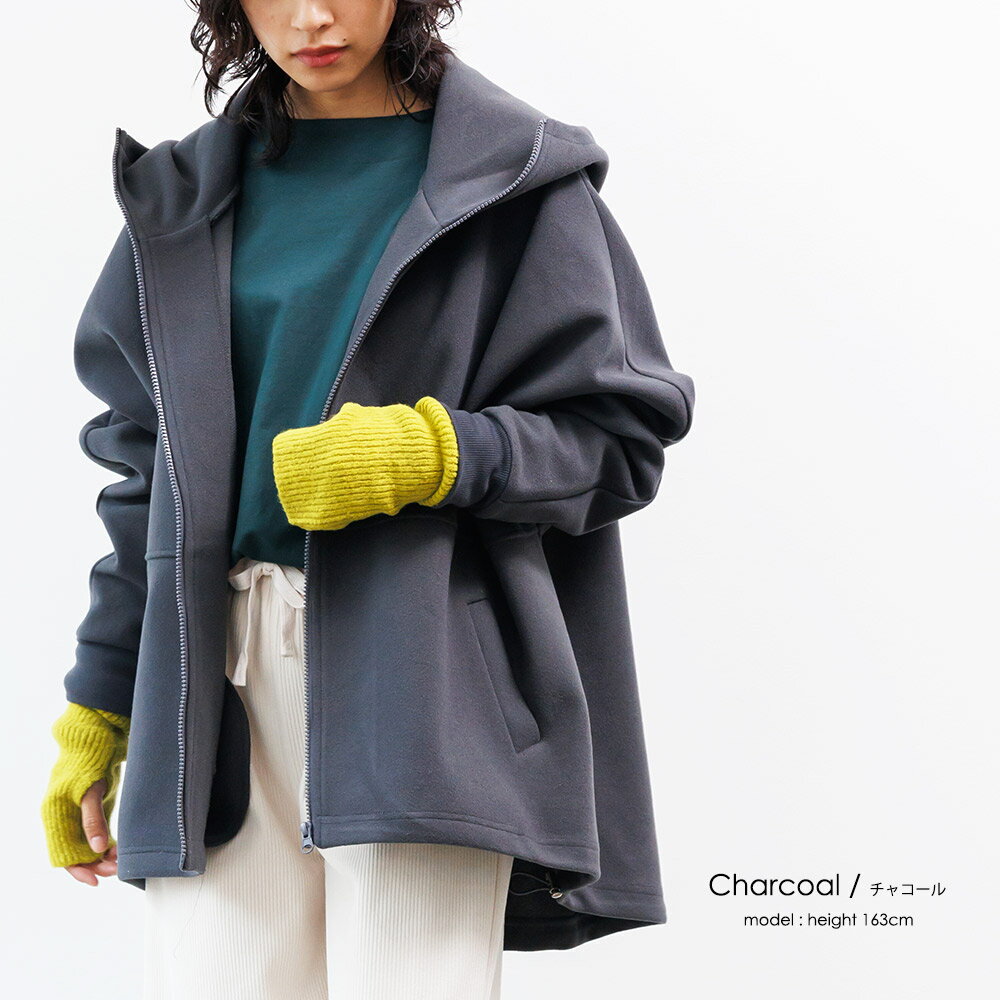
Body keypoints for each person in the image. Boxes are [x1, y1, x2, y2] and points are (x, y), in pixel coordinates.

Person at [40, 1, 695, 997]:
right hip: (215, 685)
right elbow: (141, 473)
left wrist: (430, 453)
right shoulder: (182, 199)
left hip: (425, 682)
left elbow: (618, 436)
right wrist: (100, 705)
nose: (312, 16)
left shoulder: (515, 181)